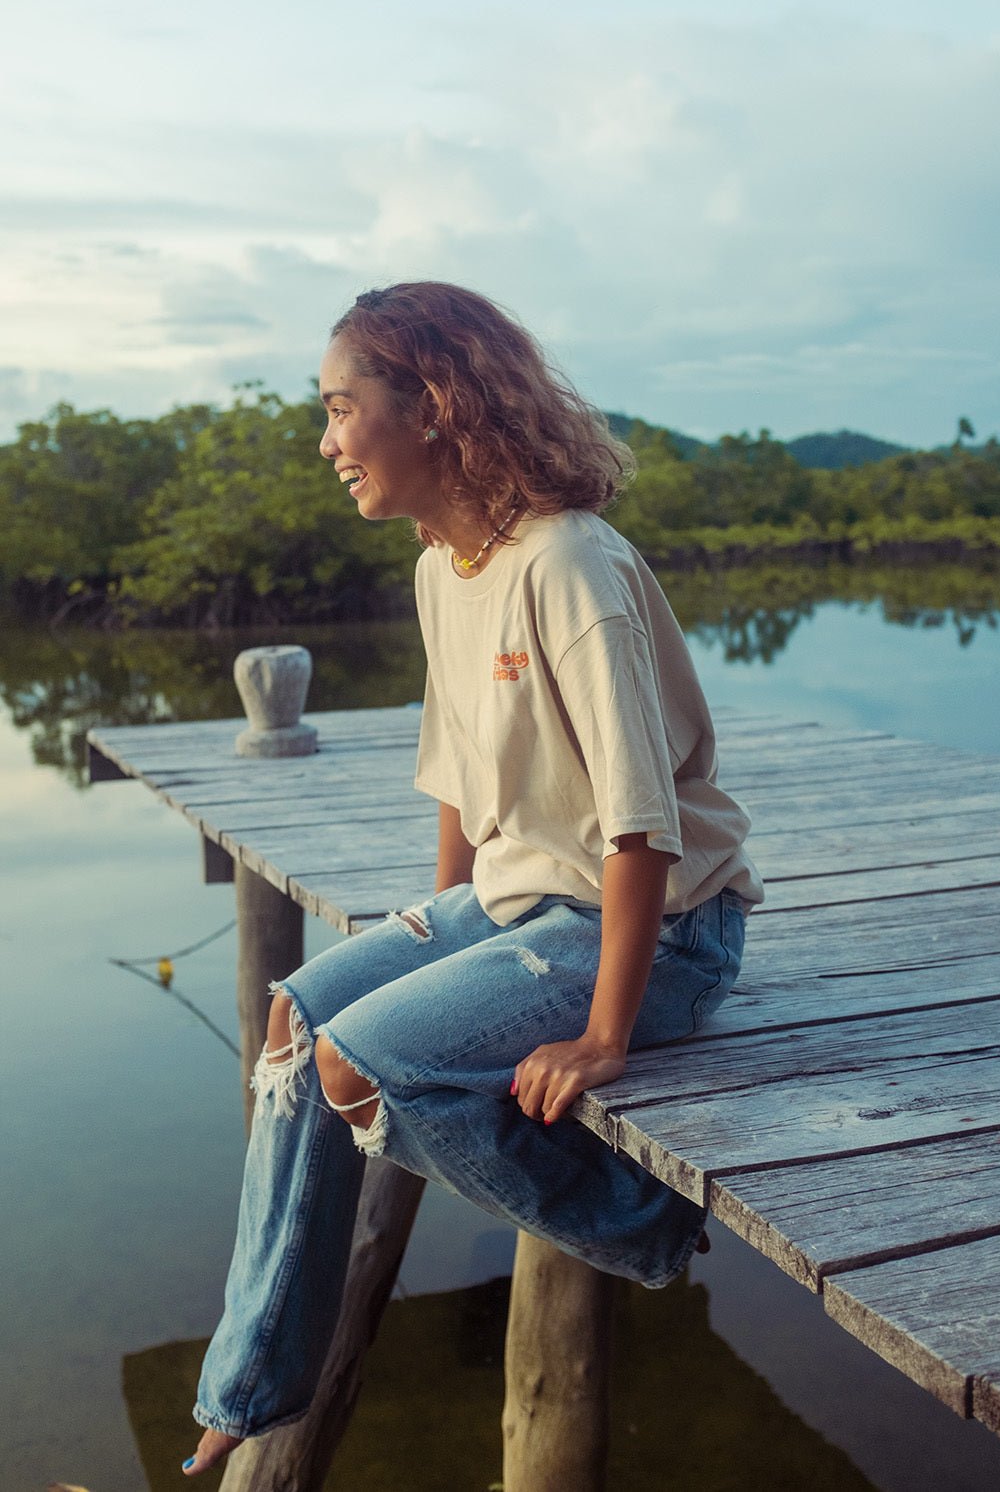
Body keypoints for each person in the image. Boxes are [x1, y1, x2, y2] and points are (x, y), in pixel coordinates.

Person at [182, 281, 763, 1477]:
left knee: (365, 1062)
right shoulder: (441, 567)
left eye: (344, 409)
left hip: (658, 927)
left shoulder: (570, 566)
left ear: (435, 404)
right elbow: (460, 781)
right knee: (299, 1023)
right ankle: (251, 1380)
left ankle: (637, 1222)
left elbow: (641, 827)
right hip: (518, 900)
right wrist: (440, 933)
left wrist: (605, 1037)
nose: (327, 440)